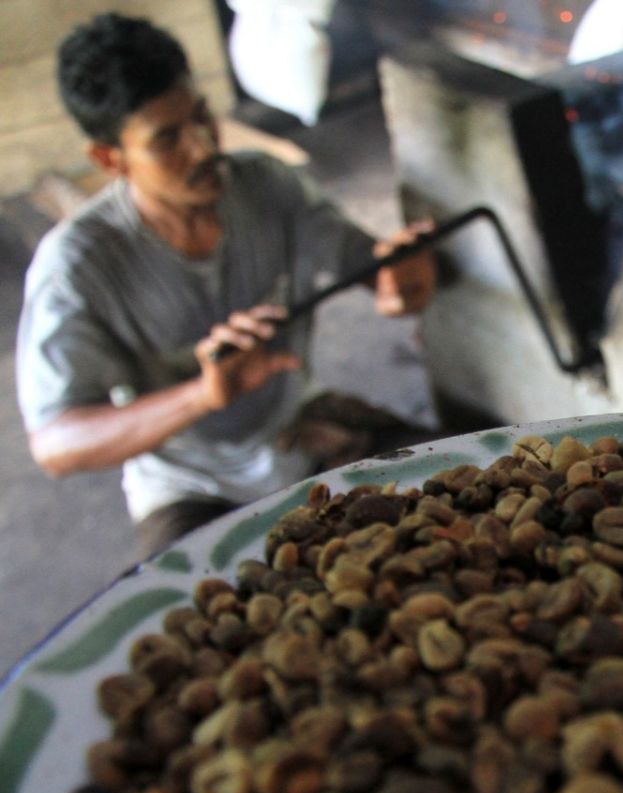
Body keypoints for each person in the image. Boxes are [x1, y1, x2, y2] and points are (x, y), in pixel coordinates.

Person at [15, 13, 437, 557]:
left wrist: (402, 284)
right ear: (108, 159)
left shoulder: (266, 185)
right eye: (167, 139)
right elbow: (56, 446)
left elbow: (376, 274)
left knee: (460, 494)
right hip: (192, 483)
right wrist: (202, 394)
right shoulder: (78, 264)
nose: (202, 148)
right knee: (203, 621)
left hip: (300, 429)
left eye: (201, 117)